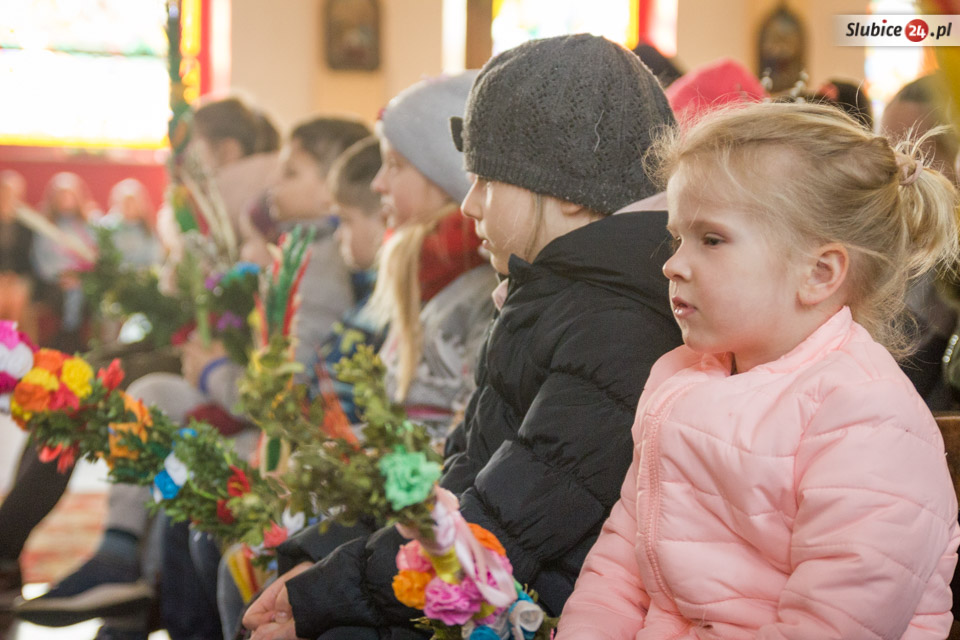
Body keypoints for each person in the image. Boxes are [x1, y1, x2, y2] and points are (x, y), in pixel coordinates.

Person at [243, 35, 682, 640]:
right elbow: (458, 471)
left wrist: (324, 594)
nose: (470, 205)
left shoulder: (614, 327)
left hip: (534, 606)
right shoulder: (553, 298)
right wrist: (320, 556)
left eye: (487, 181)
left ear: (567, 193)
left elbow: (500, 530)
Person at [557, 101, 960, 638]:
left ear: (818, 273)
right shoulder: (680, 379)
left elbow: (834, 624)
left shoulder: (867, 414)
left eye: (711, 240)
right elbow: (619, 568)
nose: (672, 264)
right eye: (677, 238)